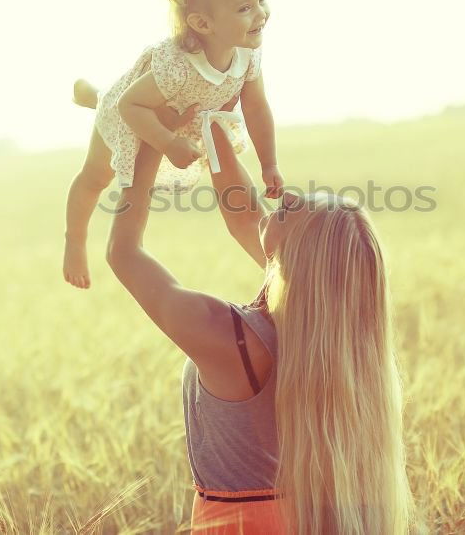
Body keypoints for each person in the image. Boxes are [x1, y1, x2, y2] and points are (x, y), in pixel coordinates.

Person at [105, 124, 422, 532]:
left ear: (297, 256)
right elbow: (243, 217)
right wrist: (207, 121)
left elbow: (123, 252)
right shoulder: (329, 332)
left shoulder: (226, 335)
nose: (283, 195)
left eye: (289, 211)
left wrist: (148, 139)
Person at [64, 0, 284, 288]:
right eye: (245, 8)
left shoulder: (248, 55)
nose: (261, 13)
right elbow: (130, 107)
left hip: (190, 122)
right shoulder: (179, 67)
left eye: (261, 0)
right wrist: (166, 143)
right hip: (137, 117)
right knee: (95, 176)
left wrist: (269, 164)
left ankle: (90, 94)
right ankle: (74, 239)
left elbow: (257, 109)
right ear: (202, 23)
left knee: (235, 190)